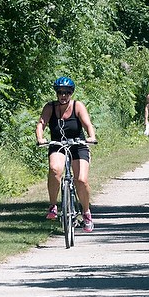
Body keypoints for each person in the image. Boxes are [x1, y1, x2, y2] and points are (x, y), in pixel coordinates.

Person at [35, 76, 97, 233]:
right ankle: (53, 206)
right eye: (60, 92)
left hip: (78, 145)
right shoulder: (50, 107)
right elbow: (41, 123)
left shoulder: (77, 106)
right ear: (56, 93)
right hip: (58, 144)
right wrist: (40, 138)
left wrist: (91, 137)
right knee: (55, 170)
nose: (63, 96)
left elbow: (88, 124)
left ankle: (86, 212)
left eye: (67, 92)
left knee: (81, 180)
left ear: (71, 93)